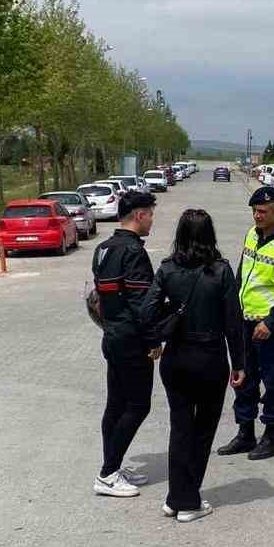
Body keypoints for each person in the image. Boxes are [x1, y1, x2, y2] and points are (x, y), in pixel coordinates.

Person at [139, 209, 247, 523]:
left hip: (175, 359)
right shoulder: (221, 271)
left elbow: (147, 312)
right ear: (209, 235)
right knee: (203, 430)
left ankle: (176, 497)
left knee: (181, 427)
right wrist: (239, 362)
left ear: (181, 235)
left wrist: (155, 340)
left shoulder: (167, 269)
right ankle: (188, 501)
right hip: (210, 358)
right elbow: (233, 321)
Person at [216, 186, 274, 461]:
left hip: (271, 326)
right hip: (245, 320)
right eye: (255, 211)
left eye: (263, 211)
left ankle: (271, 437)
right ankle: (245, 433)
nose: (257, 216)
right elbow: (244, 274)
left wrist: (271, 321)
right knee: (244, 379)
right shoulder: (251, 234)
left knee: (273, 381)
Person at [92, 189, 158, 498]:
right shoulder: (133, 252)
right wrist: (153, 340)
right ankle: (107, 474)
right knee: (138, 405)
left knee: (116, 405)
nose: (152, 220)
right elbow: (140, 303)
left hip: (113, 336)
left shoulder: (103, 248)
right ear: (139, 215)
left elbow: (99, 299)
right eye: (151, 214)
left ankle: (113, 466)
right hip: (131, 341)